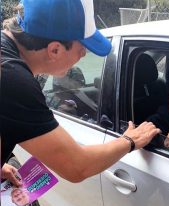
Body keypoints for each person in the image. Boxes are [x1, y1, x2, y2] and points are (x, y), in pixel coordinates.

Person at [1, 0, 160, 184]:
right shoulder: (12, 80)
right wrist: (130, 140)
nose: (84, 54)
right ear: (55, 50)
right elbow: (77, 167)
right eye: (82, 48)